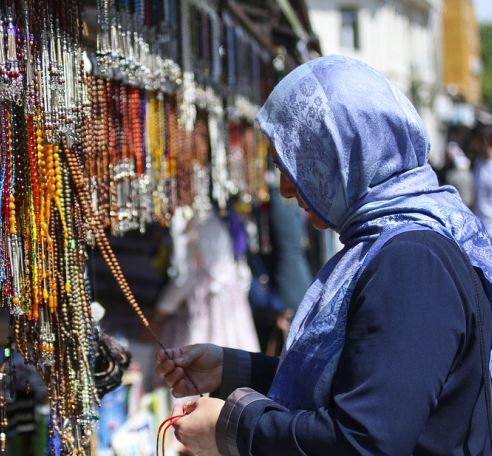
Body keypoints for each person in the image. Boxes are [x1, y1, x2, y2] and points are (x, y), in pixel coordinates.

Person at [155, 55, 492, 455]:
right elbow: (362, 380)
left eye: (296, 165)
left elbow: (365, 441)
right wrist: (232, 371)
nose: (285, 188)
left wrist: (232, 428)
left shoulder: (411, 261)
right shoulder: (395, 247)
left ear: (343, 156)